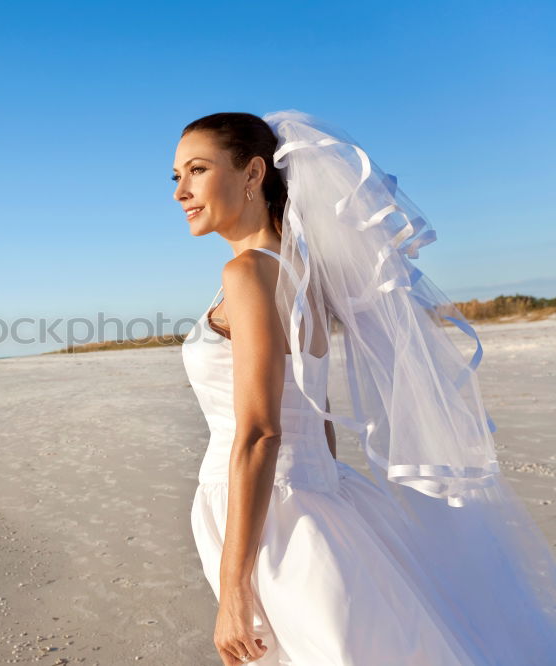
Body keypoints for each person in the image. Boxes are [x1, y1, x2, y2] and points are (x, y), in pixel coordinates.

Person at [173, 111, 556, 665]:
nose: (181, 190)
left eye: (198, 169)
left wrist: (235, 587)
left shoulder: (249, 274)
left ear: (254, 173)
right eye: (176, 176)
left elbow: (260, 432)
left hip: (271, 520)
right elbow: (315, 408)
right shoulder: (300, 272)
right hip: (321, 498)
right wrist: (322, 485)